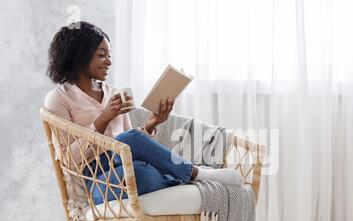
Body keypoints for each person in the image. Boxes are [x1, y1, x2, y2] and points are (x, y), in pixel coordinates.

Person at [44, 21, 243, 205]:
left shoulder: (112, 93)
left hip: (127, 165)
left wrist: (153, 123)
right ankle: (195, 173)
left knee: (137, 168)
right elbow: (68, 159)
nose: (109, 62)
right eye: (102, 55)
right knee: (138, 172)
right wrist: (104, 118)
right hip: (97, 179)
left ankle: (187, 174)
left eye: (109, 55)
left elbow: (133, 141)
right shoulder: (59, 98)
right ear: (80, 55)